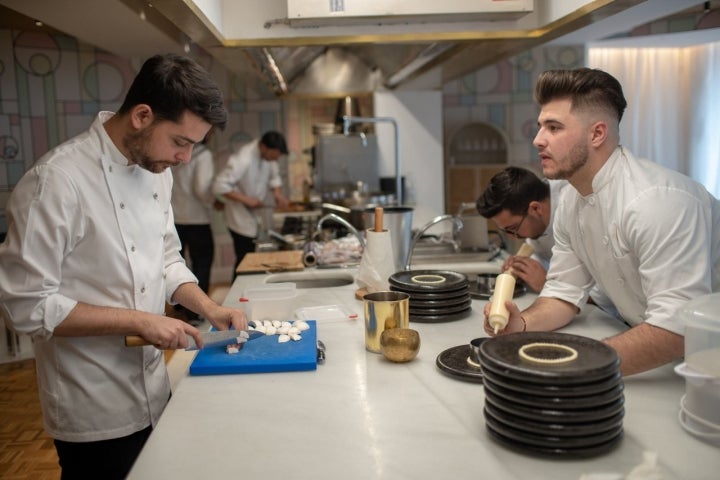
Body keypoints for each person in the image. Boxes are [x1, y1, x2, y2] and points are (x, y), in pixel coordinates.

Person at [0, 54, 248, 479]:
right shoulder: (56, 181)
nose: (185, 158)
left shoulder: (157, 171)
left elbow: (167, 258)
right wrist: (140, 321)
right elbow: (26, 305)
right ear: (142, 116)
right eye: (180, 142)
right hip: (91, 402)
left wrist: (209, 306)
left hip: (154, 385)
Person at [483, 67, 720, 376]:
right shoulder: (570, 200)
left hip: (707, 357)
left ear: (597, 133)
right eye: (541, 126)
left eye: (554, 128)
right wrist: (522, 324)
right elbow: (564, 292)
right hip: (655, 351)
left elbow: (677, 327)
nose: (538, 139)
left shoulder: (658, 202)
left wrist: (575, 365)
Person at [476, 166, 568, 292]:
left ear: (535, 209)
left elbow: (601, 294)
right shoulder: (536, 221)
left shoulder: (573, 209)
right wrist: (523, 271)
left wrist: (547, 285)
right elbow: (543, 257)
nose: (512, 237)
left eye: (513, 228)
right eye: (505, 231)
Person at [212, 131, 290, 279]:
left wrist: (278, 195)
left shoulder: (269, 158)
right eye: (273, 156)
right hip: (238, 217)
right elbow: (219, 185)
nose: (274, 160)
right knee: (244, 259)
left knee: (250, 256)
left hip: (253, 215)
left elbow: (275, 177)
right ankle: (237, 296)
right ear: (263, 146)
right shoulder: (243, 158)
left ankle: (245, 292)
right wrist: (247, 200)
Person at [171, 139, 222, 325]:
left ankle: (178, 305)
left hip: (175, 218)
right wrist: (214, 201)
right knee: (202, 264)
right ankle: (194, 313)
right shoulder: (203, 155)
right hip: (197, 219)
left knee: (177, 263)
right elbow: (202, 189)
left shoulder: (174, 151)